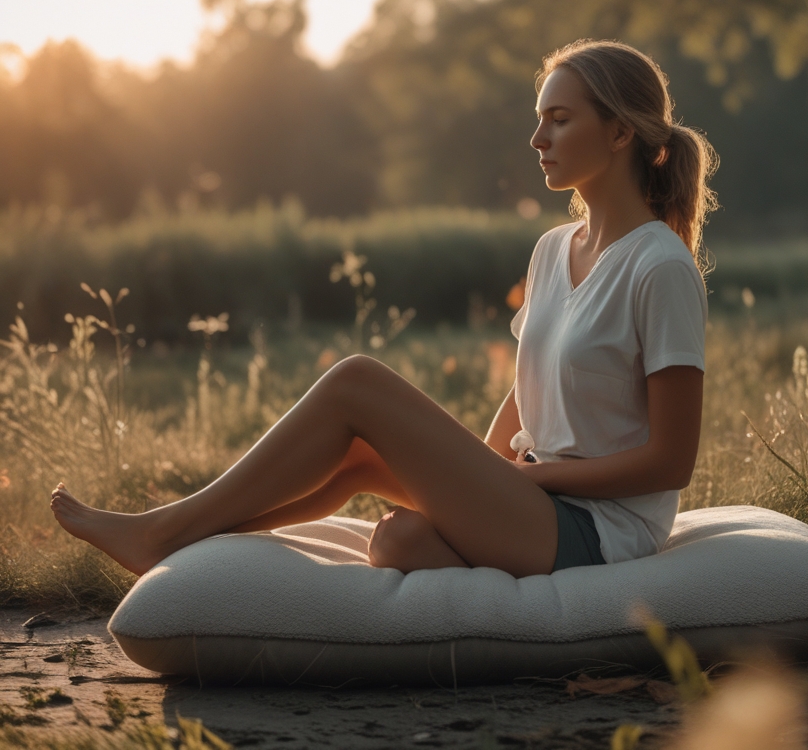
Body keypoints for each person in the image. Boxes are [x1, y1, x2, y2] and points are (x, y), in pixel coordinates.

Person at [50, 39, 717, 579]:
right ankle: (184, 540)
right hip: (534, 498)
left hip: (597, 529)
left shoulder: (659, 266)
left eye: (560, 119)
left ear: (621, 131)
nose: (538, 137)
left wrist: (536, 482)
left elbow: (670, 463)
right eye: (539, 118)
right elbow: (524, 393)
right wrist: (480, 474)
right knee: (390, 521)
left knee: (357, 382)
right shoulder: (552, 250)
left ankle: (163, 530)